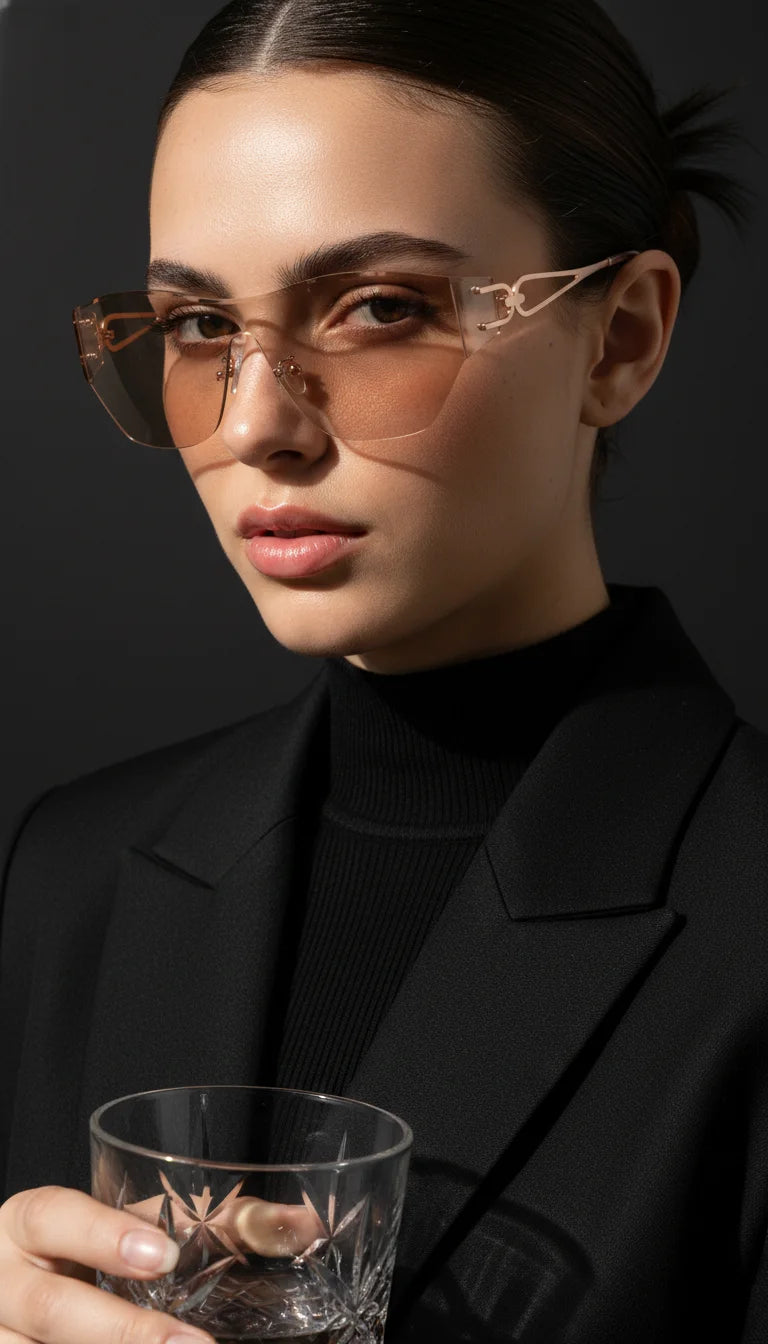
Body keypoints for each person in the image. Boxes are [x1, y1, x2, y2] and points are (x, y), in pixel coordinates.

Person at [0, 0, 762, 1340]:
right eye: (192, 326)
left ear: (624, 338)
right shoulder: (75, 871)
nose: (257, 427)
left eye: (378, 309)